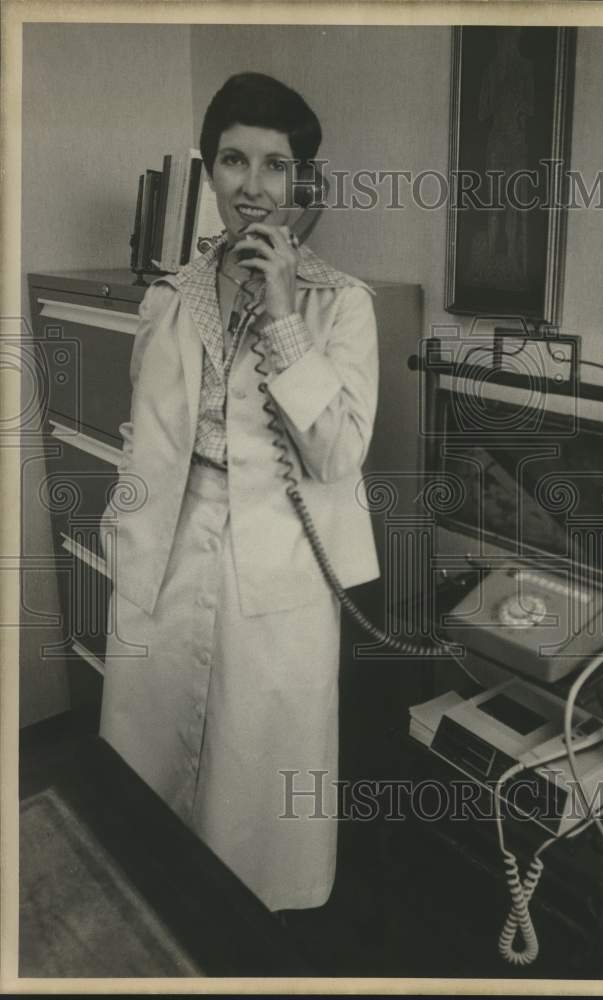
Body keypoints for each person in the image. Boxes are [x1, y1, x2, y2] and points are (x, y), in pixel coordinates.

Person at [99, 72, 380, 913]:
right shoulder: (168, 298)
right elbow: (146, 435)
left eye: (274, 165)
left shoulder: (345, 307)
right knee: (152, 749)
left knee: (253, 778)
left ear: (304, 183)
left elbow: (337, 451)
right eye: (232, 161)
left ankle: (245, 935)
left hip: (278, 562)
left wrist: (287, 311)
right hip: (171, 548)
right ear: (210, 173)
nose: (253, 188)